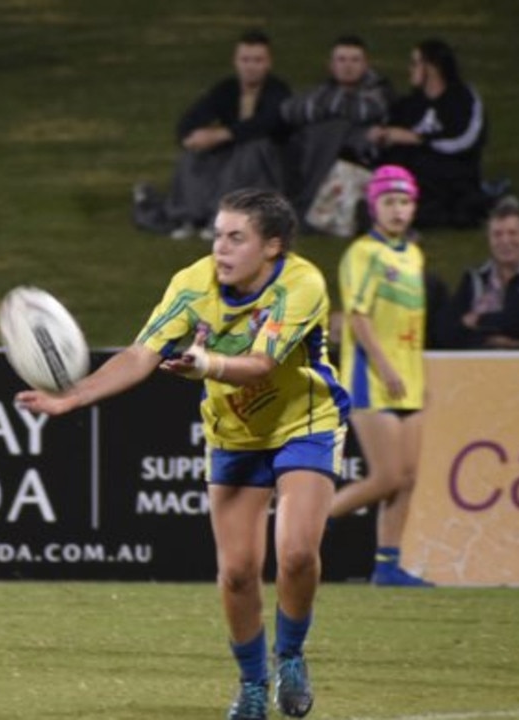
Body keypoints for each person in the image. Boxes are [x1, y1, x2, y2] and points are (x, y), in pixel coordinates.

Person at [19, 189, 346, 720]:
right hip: (233, 434)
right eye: (218, 234)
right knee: (238, 572)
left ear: (273, 247)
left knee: (295, 553)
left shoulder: (301, 282)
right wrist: (71, 397)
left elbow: (262, 364)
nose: (221, 247)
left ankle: (289, 655)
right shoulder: (192, 285)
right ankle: (252, 685)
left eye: (236, 237)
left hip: (304, 423)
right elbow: (140, 354)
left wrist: (206, 366)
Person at [330, 165, 432, 588]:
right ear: (374, 206)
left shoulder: (413, 254)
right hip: (371, 377)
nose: (397, 210)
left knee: (407, 479)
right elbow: (358, 317)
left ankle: (387, 566)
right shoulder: (362, 253)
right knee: (387, 476)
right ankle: (304, 520)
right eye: (389, 201)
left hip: (408, 379)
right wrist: (387, 368)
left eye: (404, 202)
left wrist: (413, 373)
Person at [133, 31, 291, 240]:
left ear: (268, 63)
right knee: (194, 151)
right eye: (245, 60)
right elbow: (191, 120)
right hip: (229, 156)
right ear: (236, 62)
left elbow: (267, 123)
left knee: (252, 148)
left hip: (266, 163)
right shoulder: (227, 90)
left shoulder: (278, 91)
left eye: (257, 60)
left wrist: (224, 134)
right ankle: (187, 216)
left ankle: (222, 217)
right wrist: (193, 137)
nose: (250, 66)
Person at [367, 38, 489, 229]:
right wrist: (382, 136)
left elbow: (465, 139)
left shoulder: (462, 99)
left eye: (415, 63)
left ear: (431, 68)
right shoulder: (410, 104)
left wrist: (417, 139)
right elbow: (392, 133)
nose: (410, 69)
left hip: (453, 176)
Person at [281, 35, 393, 223]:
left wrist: (328, 110)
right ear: (331, 65)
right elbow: (290, 110)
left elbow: (366, 110)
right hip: (322, 159)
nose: (348, 66)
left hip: (362, 164)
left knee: (334, 129)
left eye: (355, 60)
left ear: (366, 65)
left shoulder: (379, 90)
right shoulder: (325, 90)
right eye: (341, 60)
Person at [438, 201, 519, 349]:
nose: (505, 241)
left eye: (512, 233)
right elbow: (446, 333)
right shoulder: (474, 279)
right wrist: (504, 340)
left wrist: (478, 320)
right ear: (489, 240)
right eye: (497, 235)